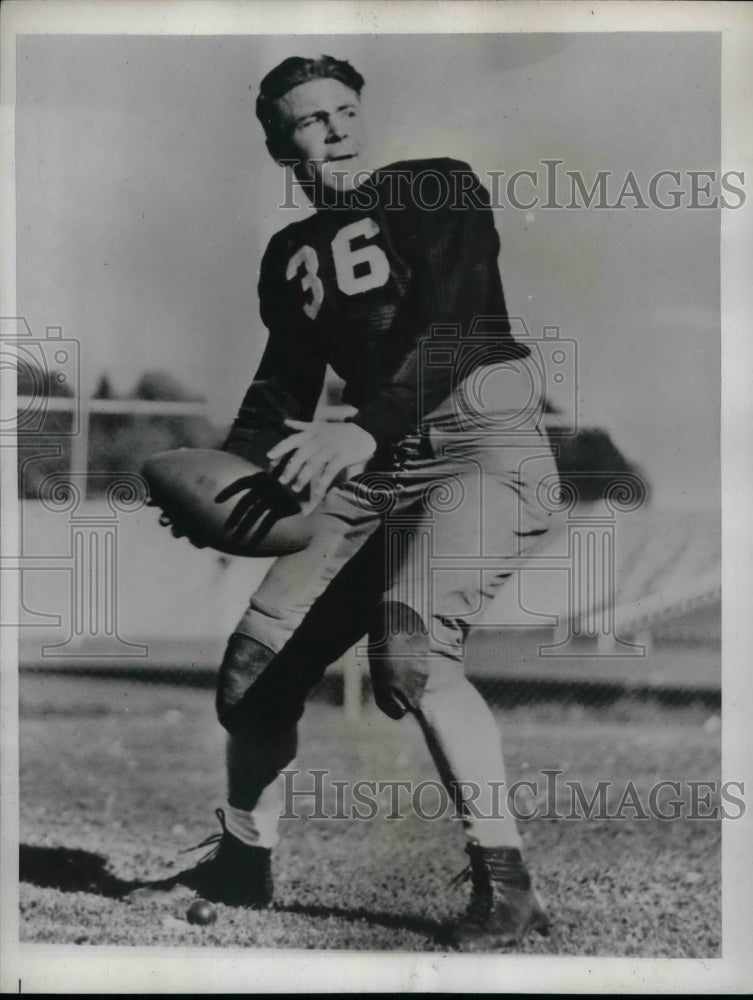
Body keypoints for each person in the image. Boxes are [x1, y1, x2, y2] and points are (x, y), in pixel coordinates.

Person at [131, 55, 558, 950]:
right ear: (276, 142)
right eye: (307, 119)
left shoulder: (433, 187)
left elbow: (458, 324)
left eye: (342, 108)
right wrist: (227, 484)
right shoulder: (289, 255)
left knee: (410, 652)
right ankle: (242, 862)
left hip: (480, 441)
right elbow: (281, 391)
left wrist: (362, 430)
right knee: (252, 674)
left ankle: (507, 886)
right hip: (380, 466)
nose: (332, 127)